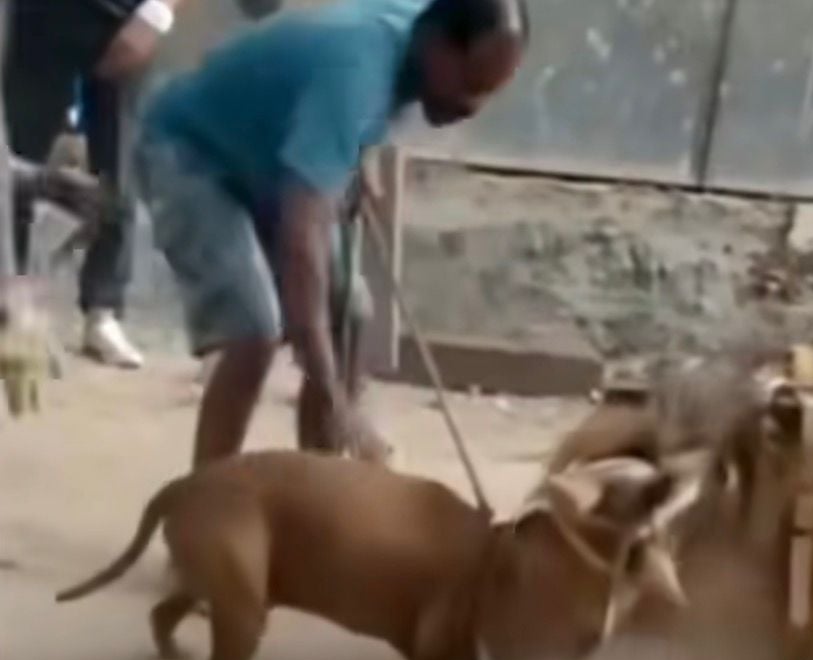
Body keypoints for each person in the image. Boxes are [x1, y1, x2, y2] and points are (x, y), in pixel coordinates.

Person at [134, 0, 528, 467]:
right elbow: (302, 239)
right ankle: (210, 497)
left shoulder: (423, 24)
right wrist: (329, 386)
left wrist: (359, 151)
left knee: (350, 315)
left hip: (267, 158)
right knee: (254, 331)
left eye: (488, 94)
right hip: (192, 154)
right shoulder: (356, 74)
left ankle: (324, 485)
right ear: (438, 44)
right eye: (472, 85)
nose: (473, 107)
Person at [3, 0, 191, 369]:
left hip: (123, 18)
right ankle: (9, 314)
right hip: (38, 17)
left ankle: (103, 310)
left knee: (119, 170)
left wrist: (157, 14)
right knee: (15, 166)